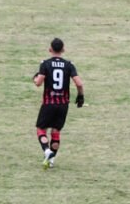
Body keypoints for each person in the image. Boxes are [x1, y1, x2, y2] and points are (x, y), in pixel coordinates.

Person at [33, 38, 84, 169]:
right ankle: (51, 161)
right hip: (63, 105)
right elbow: (79, 83)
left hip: (49, 103)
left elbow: (39, 83)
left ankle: (47, 151)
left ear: (50, 49)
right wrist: (80, 95)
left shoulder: (45, 64)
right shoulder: (69, 64)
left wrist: (35, 78)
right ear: (63, 50)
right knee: (56, 131)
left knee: (41, 129)